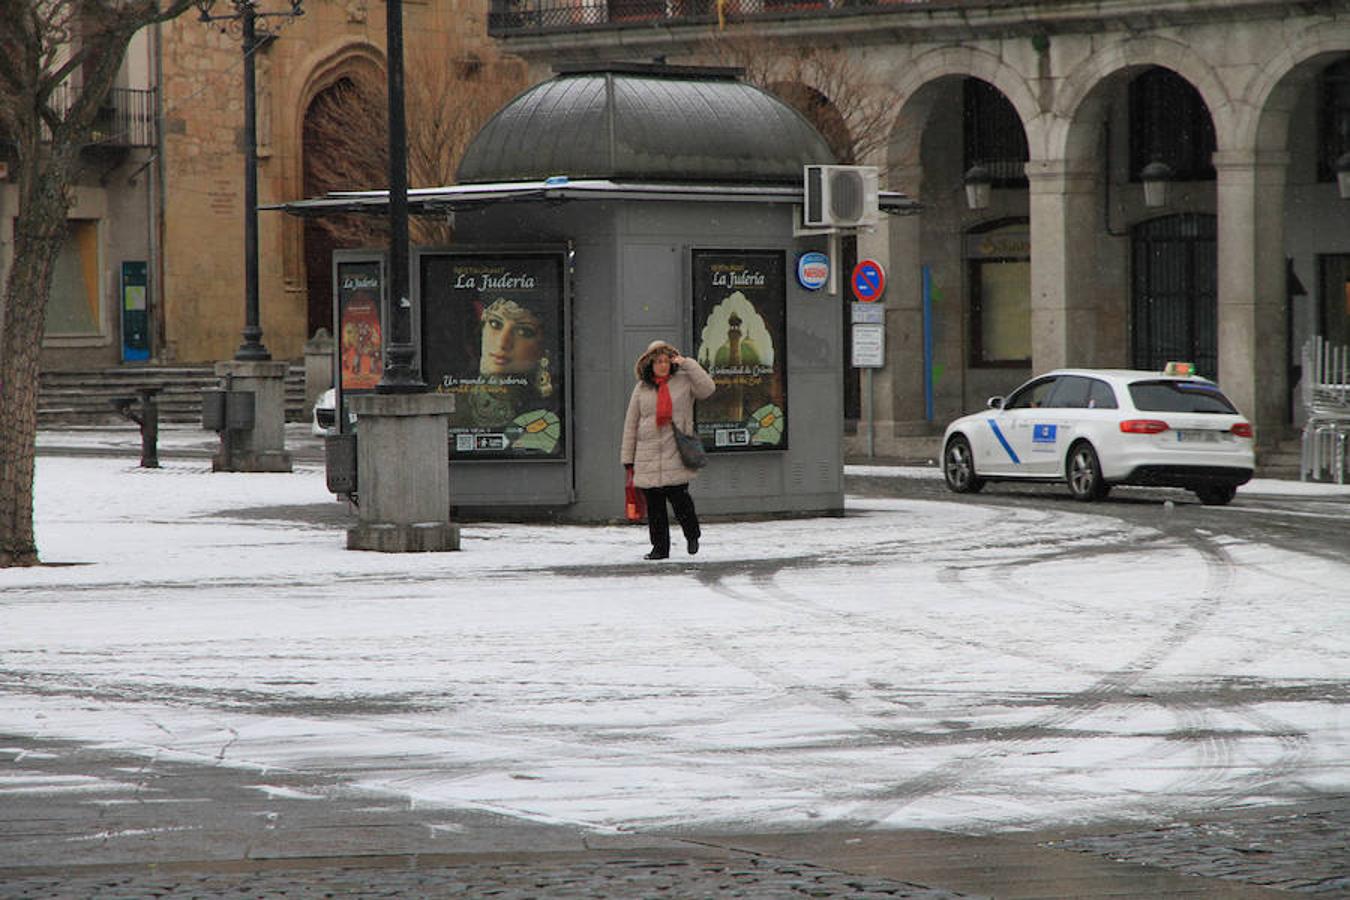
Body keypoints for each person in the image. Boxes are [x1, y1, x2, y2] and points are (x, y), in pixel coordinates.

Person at [620, 340, 716, 560]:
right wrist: (627, 458)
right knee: (655, 508)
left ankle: (692, 534)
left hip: (676, 452)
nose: (662, 365)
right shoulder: (642, 388)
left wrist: (687, 363)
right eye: (658, 361)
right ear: (650, 364)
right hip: (647, 454)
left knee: (681, 501)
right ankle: (660, 549)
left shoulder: (684, 381)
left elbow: (708, 388)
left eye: (666, 361)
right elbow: (631, 423)